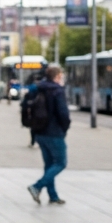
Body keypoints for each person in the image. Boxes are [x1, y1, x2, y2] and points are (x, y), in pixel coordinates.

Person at [27, 65, 70, 205]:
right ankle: (36, 186)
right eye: (61, 76)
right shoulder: (57, 91)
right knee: (60, 163)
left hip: (39, 132)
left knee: (49, 164)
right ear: (57, 77)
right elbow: (63, 113)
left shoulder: (37, 88)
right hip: (54, 132)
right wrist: (65, 128)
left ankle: (53, 196)